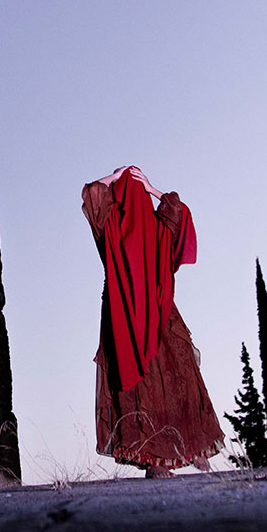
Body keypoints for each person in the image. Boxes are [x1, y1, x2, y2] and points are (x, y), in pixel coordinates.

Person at [82, 165, 225, 477]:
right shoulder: (156, 226)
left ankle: (159, 460)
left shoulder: (111, 226)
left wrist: (116, 177)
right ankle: (175, 456)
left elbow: (92, 191)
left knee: (143, 385)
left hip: (124, 316)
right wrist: (150, 188)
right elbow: (180, 212)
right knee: (175, 378)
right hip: (160, 315)